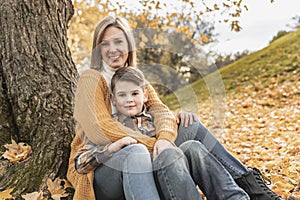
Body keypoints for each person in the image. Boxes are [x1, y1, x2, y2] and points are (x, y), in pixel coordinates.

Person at [66, 15, 282, 200]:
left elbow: (161, 112)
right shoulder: (91, 79)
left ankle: (252, 188)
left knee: (191, 126)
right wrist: (157, 144)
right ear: (98, 48)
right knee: (139, 151)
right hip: (104, 170)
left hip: (143, 156)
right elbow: (101, 130)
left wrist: (165, 138)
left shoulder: (133, 76)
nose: (112, 49)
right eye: (105, 44)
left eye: (118, 42)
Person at [74, 66, 250, 199]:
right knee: (142, 152)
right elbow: (80, 164)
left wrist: (176, 124)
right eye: (122, 95)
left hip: (162, 176)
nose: (129, 100)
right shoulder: (109, 125)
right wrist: (112, 148)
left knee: (193, 147)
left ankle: (236, 197)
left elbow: (169, 127)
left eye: (134, 93)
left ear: (145, 96)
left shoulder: (154, 122)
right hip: (121, 181)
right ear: (113, 99)